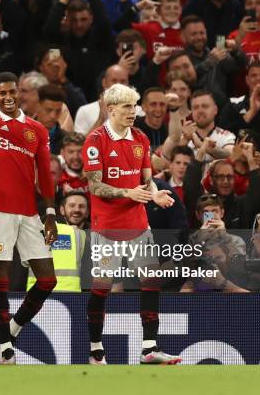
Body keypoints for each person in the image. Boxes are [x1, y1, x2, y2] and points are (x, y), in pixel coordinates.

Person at [0, 64, 58, 364]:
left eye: (11, 91)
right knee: (0, 271)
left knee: (47, 280)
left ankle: (12, 329)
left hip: (30, 212)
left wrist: (51, 212)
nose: (7, 97)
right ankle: (5, 346)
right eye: (1, 93)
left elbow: (44, 172)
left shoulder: (37, 130)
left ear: (20, 93)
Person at [82, 83, 180, 365]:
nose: (133, 112)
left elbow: (146, 179)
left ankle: (149, 349)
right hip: (107, 226)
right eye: (127, 107)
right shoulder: (96, 140)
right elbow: (95, 186)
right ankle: (96, 349)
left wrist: (154, 193)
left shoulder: (140, 138)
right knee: (102, 287)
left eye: (134, 106)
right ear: (111, 109)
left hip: (138, 223)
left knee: (150, 280)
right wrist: (127, 192)